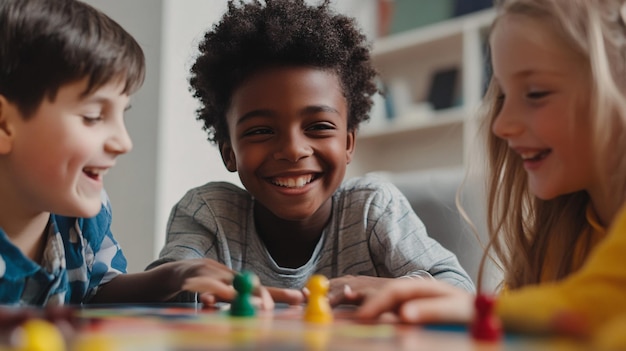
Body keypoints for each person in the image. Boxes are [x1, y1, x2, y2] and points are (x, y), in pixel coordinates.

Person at [147, 0, 474, 305]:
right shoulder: (209, 215)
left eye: (318, 126)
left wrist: (390, 287)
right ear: (229, 152)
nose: (292, 150)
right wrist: (188, 285)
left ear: (348, 143)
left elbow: (459, 288)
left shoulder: (372, 209)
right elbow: (163, 290)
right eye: (261, 131)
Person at [356, 0, 626, 341]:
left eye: (535, 93)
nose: (500, 125)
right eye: (501, 97)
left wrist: (476, 308)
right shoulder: (557, 238)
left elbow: (597, 307)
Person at [0, 0, 272, 308]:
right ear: (4, 125)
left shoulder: (82, 218)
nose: (123, 142)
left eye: (121, 114)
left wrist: (177, 275)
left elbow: (99, 291)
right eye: (93, 116)